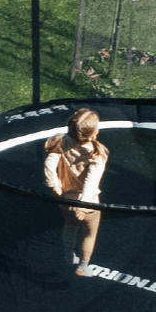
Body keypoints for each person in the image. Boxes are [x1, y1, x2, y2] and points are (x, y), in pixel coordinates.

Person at [43, 108, 108, 276]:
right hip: (88, 203)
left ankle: (68, 255)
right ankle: (82, 267)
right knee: (89, 234)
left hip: (66, 198)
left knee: (70, 226)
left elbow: (49, 165)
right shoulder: (97, 153)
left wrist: (55, 187)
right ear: (94, 133)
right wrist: (83, 205)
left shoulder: (61, 143)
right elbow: (91, 182)